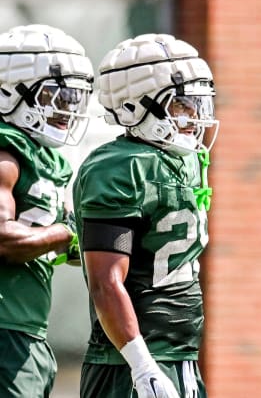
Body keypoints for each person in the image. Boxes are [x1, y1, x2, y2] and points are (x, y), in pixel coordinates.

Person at [73, 33, 219, 398]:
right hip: (129, 362)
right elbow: (106, 281)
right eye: (182, 105)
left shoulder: (182, 160)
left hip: (181, 356)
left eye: (198, 103)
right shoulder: (119, 168)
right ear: (133, 106)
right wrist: (141, 364)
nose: (195, 117)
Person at [0, 24, 94, 397]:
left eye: (74, 96)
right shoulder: (6, 154)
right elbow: (4, 238)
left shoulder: (43, 158)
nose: (67, 107)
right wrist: (66, 232)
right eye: (56, 93)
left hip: (27, 329)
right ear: (9, 92)